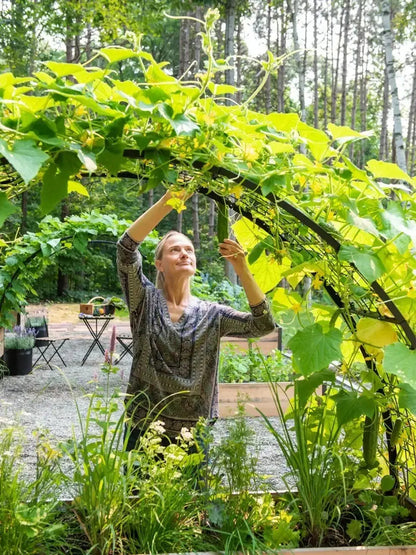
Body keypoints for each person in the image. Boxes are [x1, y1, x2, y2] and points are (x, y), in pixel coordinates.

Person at [116, 188, 276, 451]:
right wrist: (169, 201)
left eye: (189, 250)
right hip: (143, 429)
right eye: (174, 250)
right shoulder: (144, 301)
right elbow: (125, 249)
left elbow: (263, 324)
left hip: (193, 435)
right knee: (137, 493)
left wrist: (243, 269)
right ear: (159, 264)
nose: (184, 253)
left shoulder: (213, 314)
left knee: (191, 494)